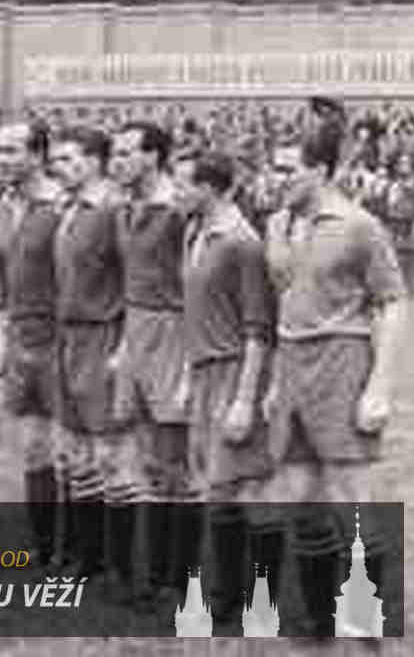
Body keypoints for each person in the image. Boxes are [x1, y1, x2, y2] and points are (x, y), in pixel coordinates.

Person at [261, 122, 406, 638]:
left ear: (321, 170)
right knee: (299, 497)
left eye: (286, 169)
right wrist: (277, 382)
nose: (274, 177)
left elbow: (392, 302)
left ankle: (369, 626)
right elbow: (283, 302)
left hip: (342, 363)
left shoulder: (359, 225)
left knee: (350, 499)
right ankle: (319, 623)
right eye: (273, 167)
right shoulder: (276, 223)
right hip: (292, 366)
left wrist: (379, 387)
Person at [173, 150, 273, 636]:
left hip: (234, 373)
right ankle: (230, 599)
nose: (176, 193)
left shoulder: (242, 244)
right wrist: (188, 379)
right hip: (204, 371)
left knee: (233, 491)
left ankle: (245, 602)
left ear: (210, 188)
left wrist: (245, 400)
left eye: (184, 184)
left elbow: (258, 330)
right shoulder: (194, 233)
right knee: (216, 490)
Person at [107, 122, 190, 609]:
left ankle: (179, 580)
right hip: (136, 333)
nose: (116, 161)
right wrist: (123, 343)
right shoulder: (125, 209)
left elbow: (193, 287)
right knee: (146, 461)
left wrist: (182, 365)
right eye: (114, 153)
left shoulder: (176, 210)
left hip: (170, 334)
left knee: (174, 462)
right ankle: (155, 577)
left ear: (154, 157)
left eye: (126, 153)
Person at [48, 126, 123, 578]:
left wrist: (123, 343)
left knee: (107, 450)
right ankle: (85, 553)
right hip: (67, 335)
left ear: (96, 160)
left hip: (102, 334)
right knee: (73, 448)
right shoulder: (67, 209)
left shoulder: (113, 210)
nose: (62, 167)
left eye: (71, 159)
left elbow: (131, 280)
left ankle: (117, 560)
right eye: (57, 160)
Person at [0, 120, 62, 559]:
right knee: (33, 445)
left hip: (61, 339)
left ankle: (84, 550)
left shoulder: (60, 206)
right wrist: (2, 338)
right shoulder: (2, 205)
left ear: (37, 156)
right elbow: (4, 283)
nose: (0, 159)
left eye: (11, 151)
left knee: (78, 449)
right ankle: (44, 545)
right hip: (20, 338)